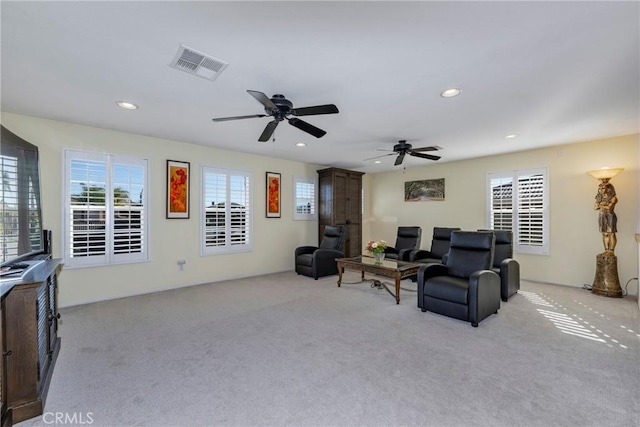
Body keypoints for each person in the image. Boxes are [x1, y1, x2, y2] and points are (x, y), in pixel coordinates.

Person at [594, 182, 618, 253]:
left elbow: (609, 208)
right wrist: (600, 205)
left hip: (610, 216)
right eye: (600, 188)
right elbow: (595, 207)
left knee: (611, 233)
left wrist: (600, 205)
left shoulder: (613, 198)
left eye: (603, 188)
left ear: (609, 189)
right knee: (604, 233)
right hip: (602, 215)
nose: (601, 189)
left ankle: (611, 251)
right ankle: (606, 250)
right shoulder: (600, 198)